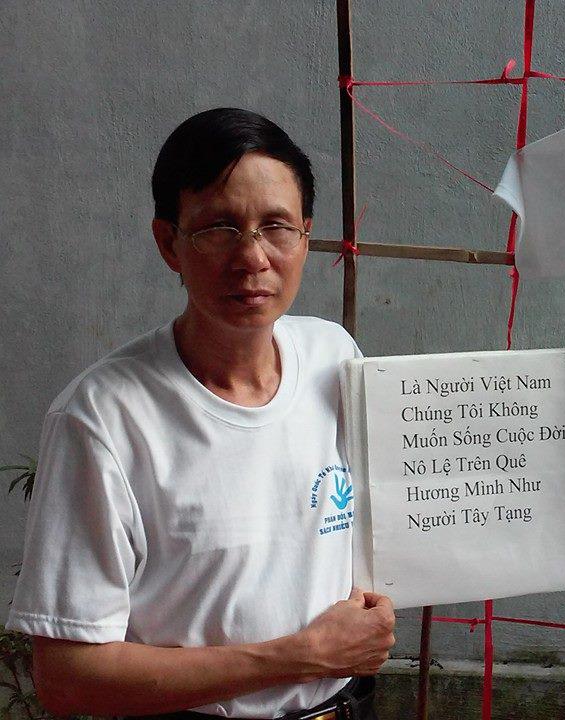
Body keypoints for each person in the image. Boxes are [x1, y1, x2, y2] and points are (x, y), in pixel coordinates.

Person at [4, 108, 395, 719]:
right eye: (219, 228)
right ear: (169, 243)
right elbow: (68, 679)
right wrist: (300, 657)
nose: (252, 257)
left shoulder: (333, 356)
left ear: (305, 237)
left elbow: (397, 510)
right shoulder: (104, 419)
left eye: (276, 227)